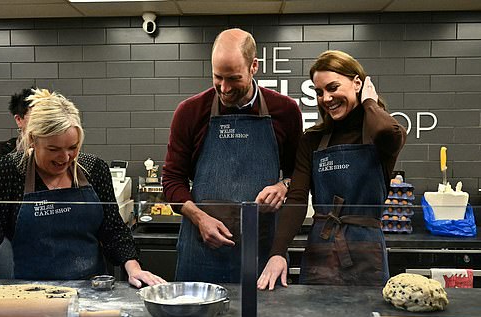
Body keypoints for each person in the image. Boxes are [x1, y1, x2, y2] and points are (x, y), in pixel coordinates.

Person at [0, 89, 164, 297]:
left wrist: (133, 268)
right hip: (25, 292)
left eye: (73, 147)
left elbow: (112, 228)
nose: (65, 157)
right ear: (32, 140)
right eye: (53, 149)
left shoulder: (93, 168)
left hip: (89, 291)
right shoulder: (11, 169)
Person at [162, 28, 303, 283]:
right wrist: (199, 217)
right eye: (218, 77)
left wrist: (284, 185)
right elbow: (172, 180)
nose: (224, 89)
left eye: (234, 78)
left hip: (261, 254)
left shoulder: (286, 111)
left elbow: (299, 177)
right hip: (201, 252)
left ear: (254, 67)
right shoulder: (191, 112)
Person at [257, 50, 407, 290]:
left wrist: (369, 101)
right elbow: (296, 198)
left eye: (333, 87)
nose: (326, 98)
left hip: (366, 252)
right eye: (319, 92)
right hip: (321, 250)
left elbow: (390, 133)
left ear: (357, 82)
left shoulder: (379, 136)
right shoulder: (313, 140)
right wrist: (278, 252)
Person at [0, 87, 34, 278]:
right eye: (36, 116)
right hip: (6, 240)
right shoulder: (0, 154)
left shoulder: (62, 154)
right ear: (19, 119)